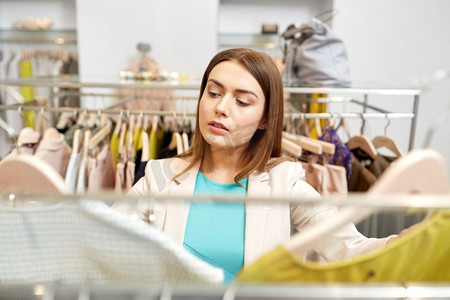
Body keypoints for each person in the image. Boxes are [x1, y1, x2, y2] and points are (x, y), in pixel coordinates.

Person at [127, 48, 392, 283]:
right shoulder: (158, 177)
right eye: (214, 93)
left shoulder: (285, 184)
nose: (221, 107)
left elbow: (351, 248)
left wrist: (404, 244)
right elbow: (107, 243)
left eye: (242, 101)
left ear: (265, 118)